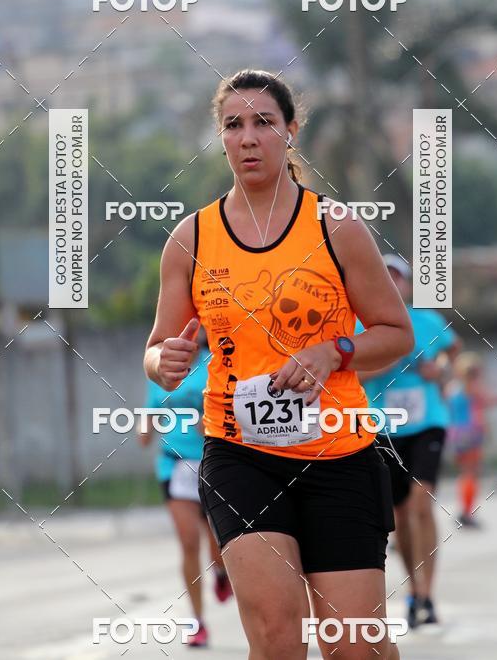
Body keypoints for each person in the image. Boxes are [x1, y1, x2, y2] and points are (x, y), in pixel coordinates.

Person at [144, 69, 415, 660]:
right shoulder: (190, 238)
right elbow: (157, 348)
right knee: (275, 637)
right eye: (233, 125)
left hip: (340, 455)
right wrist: (165, 362)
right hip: (241, 455)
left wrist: (334, 350)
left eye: (264, 122)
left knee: (355, 648)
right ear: (221, 138)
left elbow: (397, 334)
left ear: (290, 132)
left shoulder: (337, 227)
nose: (248, 137)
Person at [358, 255, 462, 630]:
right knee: (400, 516)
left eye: (397, 277)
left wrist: (444, 372)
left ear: (407, 284)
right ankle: (415, 589)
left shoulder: (428, 320)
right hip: (382, 427)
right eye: (384, 277)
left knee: (421, 502)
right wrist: (387, 360)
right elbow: (350, 374)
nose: (392, 284)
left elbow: (454, 355)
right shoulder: (359, 324)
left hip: (427, 423)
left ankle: (428, 592)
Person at [139, 325, 233, 648]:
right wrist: (144, 429)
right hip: (174, 463)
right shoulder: (165, 367)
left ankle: (221, 573)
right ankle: (197, 621)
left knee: (217, 544)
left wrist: (206, 422)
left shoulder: (215, 364)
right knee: (188, 541)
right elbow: (150, 407)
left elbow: (225, 409)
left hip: (211, 462)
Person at [447, 352, 497, 526]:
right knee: (471, 473)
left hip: (455, 433)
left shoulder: (451, 387)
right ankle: (466, 512)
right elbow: (489, 401)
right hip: (471, 432)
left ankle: (465, 510)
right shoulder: (472, 387)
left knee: (464, 473)